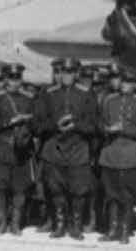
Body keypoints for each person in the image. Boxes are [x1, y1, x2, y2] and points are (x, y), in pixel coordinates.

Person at [34, 57, 98, 240]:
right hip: (54, 148)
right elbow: (37, 124)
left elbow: (94, 124)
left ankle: (75, 225)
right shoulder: (48, 93)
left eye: (70, 72)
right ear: (59, 73)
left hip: (78, 148)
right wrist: (55, 125)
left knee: (78, 190)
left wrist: (76, 125)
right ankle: (60, 224)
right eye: (63, 72)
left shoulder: (87, 93)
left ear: (76, 73)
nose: (66, 76)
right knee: (56, 189)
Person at [98, 68, 136, 243]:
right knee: (111, 194)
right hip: (111, 153)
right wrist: (106, 129)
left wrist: (123, 129)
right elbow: (101, 122)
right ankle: (113, 229)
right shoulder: (109, 101)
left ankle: (125, 230)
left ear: (135, 85)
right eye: (123, 81)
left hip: (130, 155)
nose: (124, 85)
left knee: (127, 195)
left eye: (129, 82)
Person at [0, 63, 36, 235]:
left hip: (21, 150)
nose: (15, 82)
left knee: (19, 188)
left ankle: (15, 223)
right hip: (0, 148)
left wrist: (28, 123)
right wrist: (8, 122)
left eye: (18, 78)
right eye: (12, 78)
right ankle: (1, 222)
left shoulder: (29, 99)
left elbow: (37, 123)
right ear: (6, 79)